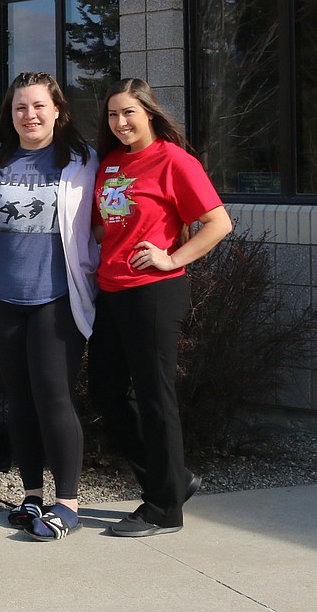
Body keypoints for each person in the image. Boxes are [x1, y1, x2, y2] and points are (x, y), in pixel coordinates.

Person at [88, 78, 232, 537]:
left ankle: (164, 509)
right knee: (106, 394)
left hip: (154, 291)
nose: (120, 122)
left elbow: (217, 222)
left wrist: (172, 256)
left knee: (155, 396)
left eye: (129, 112)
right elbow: (100, 227)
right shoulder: (110, 163)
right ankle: (172, 480)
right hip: (111, 290)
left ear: (149, 113)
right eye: (113, 114)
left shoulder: (173, 160)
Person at [0, 72, 98, 541]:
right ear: (11, 113)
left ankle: (67, 503)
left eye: (40, 106)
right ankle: (31, 496)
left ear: (58, 110)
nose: (30, 115)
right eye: (21, 107)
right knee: (18, 397)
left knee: (53, 396)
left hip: (57, 298)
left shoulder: (82, 161)